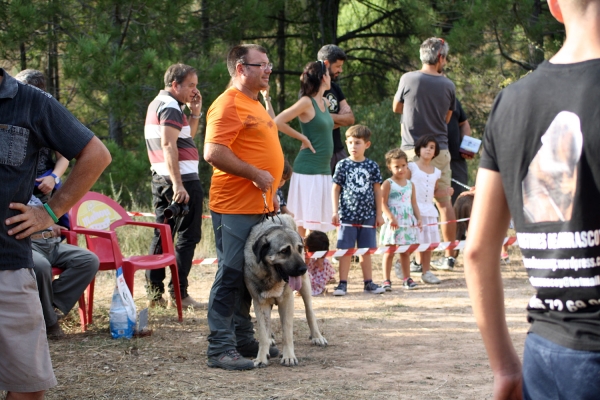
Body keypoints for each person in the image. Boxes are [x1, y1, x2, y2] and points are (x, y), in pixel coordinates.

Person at [464, 1, 600, 398]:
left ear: (555, 6)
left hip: (546, 354)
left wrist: (505, 368)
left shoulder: (511, 101)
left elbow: (476, 250)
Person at [0, 68, 110, 399]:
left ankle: (55, 310)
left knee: (29, 387)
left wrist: (49, 211)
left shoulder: (30, 102)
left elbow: (96, 155)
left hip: (8, 267)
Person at [203, 44, 284, 370]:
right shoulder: (227, 105)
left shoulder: (255, 103)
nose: (268, 70)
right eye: (261, 65)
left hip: (260, 205)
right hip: (234, 206)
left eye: (269, 64)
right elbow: (213, 152)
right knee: (231, 273)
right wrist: (254, 173)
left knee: (249, 274)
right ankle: (220, 348)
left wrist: (272, 191)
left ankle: (243, 338)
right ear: (240, 68)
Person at [15, 69, 100, 339]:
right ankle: (49, 324)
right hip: (25, 235)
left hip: (46, 213)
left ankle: (49, 309)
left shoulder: (42, 114)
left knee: (88, 260)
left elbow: (84, 152)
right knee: (38, 266)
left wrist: (54, 177)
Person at [392, 37, 457, 271]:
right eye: (446, 58)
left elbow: (396, 107)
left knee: (408, 204)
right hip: (439, 149)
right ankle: (449, 257)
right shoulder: (448, 85)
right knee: (443, 203)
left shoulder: (407, 78)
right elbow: (448, 118)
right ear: (440, 57)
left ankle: (410, 260)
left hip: (411, 151)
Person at [144, 63, 204, 309]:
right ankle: (178, 293)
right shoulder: (169, 106)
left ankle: (157, 294)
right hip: (178, 182)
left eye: (196, 85)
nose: (194, 90)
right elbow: (168, 145)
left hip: (168, 179)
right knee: (185, 237)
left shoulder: (165, 104)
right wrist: (179, 185)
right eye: (190, 85)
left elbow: (186, 137)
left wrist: (195, 112)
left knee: (164, 235)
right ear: (175, 84)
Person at [274, 61, 335, 237]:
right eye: (329, 75)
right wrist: (302, 138)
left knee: (316, 224)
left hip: (323, 170)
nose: (330, 78)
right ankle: (302, 263)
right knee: (304, 224)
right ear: (323, 77)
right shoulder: (306, 102)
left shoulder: (324, 101)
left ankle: (313, 262)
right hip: (309, 170)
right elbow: (278, 121)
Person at [331, 125, 385, 296]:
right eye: (350, 142)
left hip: (368, 216)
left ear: (367, 145)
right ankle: (342, 284)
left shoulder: (372, 166)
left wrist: (379, 214)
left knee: (366, 251)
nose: (353, 146)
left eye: (358, 143)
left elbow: (378, 190)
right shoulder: (342, 165)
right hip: (347, 215)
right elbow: (335, 189)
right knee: (345, 251)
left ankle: (368, 283)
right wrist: (335, 211)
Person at [407, 135, 453, 285]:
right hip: (414, 209)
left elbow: (434, 192)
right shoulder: (411, 167)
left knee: (428, 243)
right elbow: (405, 186)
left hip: (429, 210)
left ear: (435, 152)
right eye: (425, 146)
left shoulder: (436, 172)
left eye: (432, 147)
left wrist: (446, 192)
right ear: (419, 149)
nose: (428, 150)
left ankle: (426, 272)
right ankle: (404, 270)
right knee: (412, 241)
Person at [379, 148, 422, 291]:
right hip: (393, 223)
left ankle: (406, 279)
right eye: (396, 166)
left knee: (405, 251)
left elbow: (413, 203)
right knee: (390, 251)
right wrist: (390, 217)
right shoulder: (388, 183)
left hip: (406, 222)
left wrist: (419, 218)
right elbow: (382, 203)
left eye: (403, 165)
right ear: (390, 167)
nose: (400, 169)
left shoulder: (410, 184)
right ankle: (386, 280)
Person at [317, 44, 355, 173]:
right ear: (327, 64)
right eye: (338, 66)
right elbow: (316, 120)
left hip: (339, 150)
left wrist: (328, 118)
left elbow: (350, 119)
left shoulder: (335, 88)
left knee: (346, 191)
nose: (341, 70)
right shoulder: (309, 89)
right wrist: (339, 118)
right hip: (319, 152)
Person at [447, 98, 472, 205]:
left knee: (461, 200)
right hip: (431, 159)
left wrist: (467, 147)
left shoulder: (453, 100)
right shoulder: (423, 99)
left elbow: (464, 124)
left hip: (457, 159)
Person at [304, 230, 336, 296]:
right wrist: (306, 261)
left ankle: (318, 287)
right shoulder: (302, 251)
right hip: (304, 281)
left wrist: (321, 260)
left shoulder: (323, 260)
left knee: (326, 262)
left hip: (316, 281)